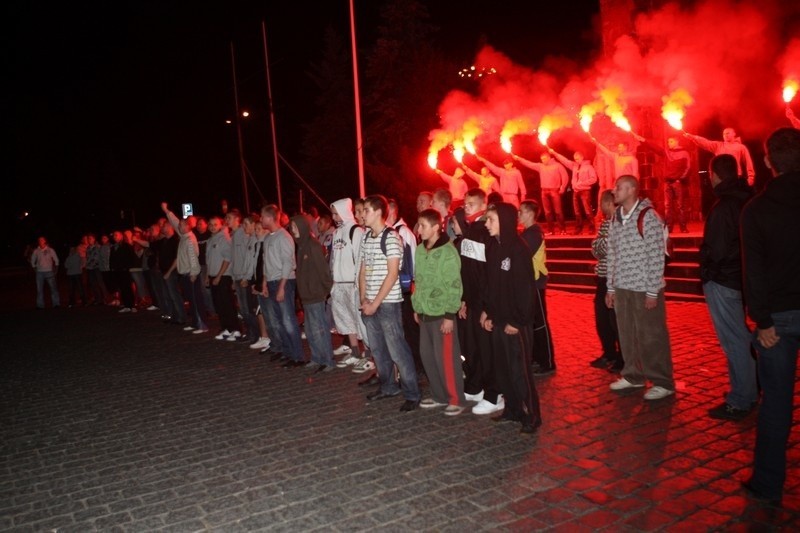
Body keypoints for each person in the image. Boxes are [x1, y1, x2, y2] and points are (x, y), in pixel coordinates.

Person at [740, 127, 800, 505]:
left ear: (767, 162)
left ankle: (768, 482)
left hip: (778, 321)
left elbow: (754, 273)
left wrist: (761, 321)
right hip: (778, 316)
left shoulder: (757, 209)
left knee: (776, 402)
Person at [605, 176, 675, 400]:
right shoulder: (616, 218)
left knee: (651, 335)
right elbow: (611, 253)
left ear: (633, 189)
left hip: (644, 288)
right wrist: (611, 287)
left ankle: (663, 381)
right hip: (623, 286)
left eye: (619, 187)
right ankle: (633, 375)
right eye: (615, 187)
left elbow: (656, 255)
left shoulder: (648, 216)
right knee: (626, 334)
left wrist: (653, 291)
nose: (615, 191)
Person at [700, 154, 755, 421]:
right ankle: (749, 386)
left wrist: (708, 274)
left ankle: (742, 397)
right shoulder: (748, 198)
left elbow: (718, 249)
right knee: (739, 337)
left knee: (734, 340)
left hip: (724, 281)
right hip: (741, 278)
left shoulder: (724, 207)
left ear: (715, 175)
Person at [483, 202, 542, 434]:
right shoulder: (494, 247)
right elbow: (491, 285)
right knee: (504, 368)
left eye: (491, 220)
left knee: (520, 371)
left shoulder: (519, 249)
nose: (487, 225)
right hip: (499, 320)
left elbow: (526, 290)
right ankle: (512, 408)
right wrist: (488, 312)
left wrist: (517, 322)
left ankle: (531, 414)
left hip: (516, 323)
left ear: (504, 222)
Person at [359, 194, 421, 412]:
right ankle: (388, 386)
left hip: (388, 304)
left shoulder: (392, 237)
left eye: (366, 210)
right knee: (378, 349)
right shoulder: (367, 237)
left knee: (398, 350)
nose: (362, 214)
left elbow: (393, 274)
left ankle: (412, 393)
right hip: (371, 304)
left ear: (378, 212)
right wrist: (363, 299)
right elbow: (363, 270)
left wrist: (375, 302)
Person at [412, 208, 466, 415]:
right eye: (419, 225)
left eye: (423, 225)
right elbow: (419, 280)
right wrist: (416, 306)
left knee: (446, 358)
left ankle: (455, 398)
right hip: (425, 313)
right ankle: (439, 394)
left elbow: (454, 285)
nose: (419, 229)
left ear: (436, 227)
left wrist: (449, 315)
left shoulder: (448, 252)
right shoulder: (419, 249)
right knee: (428, 356)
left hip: (442, 314)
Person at [458, 188, 503, 416]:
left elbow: (485, 273)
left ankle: (495, 394)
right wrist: (465, 299)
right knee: (472, 347)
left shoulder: (482, 231)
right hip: (472, 301)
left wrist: (486, 306)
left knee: (487, 349)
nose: (466, 208)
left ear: (482, 206)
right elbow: (468, 271)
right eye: (465, 204)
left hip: (484, 302)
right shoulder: (470, 231)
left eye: (471, 205)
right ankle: (475, 386)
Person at [260, 204, 305, 367]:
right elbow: (266, 263)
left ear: (271, 218)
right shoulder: (268, 237)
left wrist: (281, 286)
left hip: (283, 281)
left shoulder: (284, 237)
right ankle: (287, 352)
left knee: (288, 320)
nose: (261, 219)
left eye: (263, 216)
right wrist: (264, 283)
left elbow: (288, 263)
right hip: (272, 281)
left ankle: (298, 356)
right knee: (279, 320)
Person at [290, 215, 336, 372]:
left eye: (296, 227)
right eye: (292, 228)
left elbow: (323, 270)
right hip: (306, 296)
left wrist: (326, 290)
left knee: (320, 328)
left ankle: (327, 360)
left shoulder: (313, 245)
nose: (293, 230)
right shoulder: (301, 245)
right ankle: (317, 357)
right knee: (310, 329)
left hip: (315, 295)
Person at [518, 200, 556, 375]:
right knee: (534, 324)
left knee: (540, 324)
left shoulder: (533, 234)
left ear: (530, 214)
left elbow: (523, 255)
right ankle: (536, 358)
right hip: (530, 284)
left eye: (522, 211)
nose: (519, 214)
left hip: (536, 284)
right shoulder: (528, 232)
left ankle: (547, 362)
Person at [329, 198, 368, 369]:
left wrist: (359, 284)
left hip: (352, 283)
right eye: (333, 213)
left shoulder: (356, 231)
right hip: (339, 283)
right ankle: (354, 351)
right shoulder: (337, 233)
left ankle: (368, 353)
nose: (334, 217)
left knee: (360, 321)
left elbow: (361, 258)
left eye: (336, 213)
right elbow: (334, 258)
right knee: (345, 320)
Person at [589, 190, 624, 372]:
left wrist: (600, 242)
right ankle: (609, 353)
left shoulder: (617, 223)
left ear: (608, 203)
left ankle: (622, 358)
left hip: (614, 277)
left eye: (602, 202)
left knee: (614, 320)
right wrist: (599, 244)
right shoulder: (606, 223)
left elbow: (600, 248)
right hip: (604, 276)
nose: (600, 207)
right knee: (603, 319)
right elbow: (596, 249)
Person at [163, 203, 208, 333]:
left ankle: (202, 325)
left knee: (195, 300)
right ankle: (195, 323)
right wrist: (167, 211)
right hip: (185, 273)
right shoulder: (183, 237)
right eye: (180, 225)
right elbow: (175, 222)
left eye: (182, 225)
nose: (180, 227)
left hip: (191, 273)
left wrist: (194, 273)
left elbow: (193, 257)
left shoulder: (189, 239)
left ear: (188, 226)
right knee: (191, 299)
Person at [513, 151, 569, 235]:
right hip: (544, 191)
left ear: (549, 158)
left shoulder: (557, 165)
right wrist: (519, 159)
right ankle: (551, 231)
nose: (543, 160)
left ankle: (562, 230)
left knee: (558, 211)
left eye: (544, 159)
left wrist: (563, 187)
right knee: (547, 212)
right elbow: (529, 164)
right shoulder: (540, 166)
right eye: (542, 159)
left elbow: (565, 176)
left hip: (554, 190)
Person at [548, 148, 598, 235]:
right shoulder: (574, 166)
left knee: (587, 210)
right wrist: (554, 153)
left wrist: (582, 184)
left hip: (585, 191)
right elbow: (564, 160)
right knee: (577, 211)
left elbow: (594, 179)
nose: (576, 160)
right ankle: (579, 228)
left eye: (577, 159)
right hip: (576, 191)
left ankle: (592, 227)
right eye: (575, 159)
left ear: (582, 158)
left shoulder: (588, 167)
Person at [684, 127, 755, 186]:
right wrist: (692, 137)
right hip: (720, 178)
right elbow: (705, 142)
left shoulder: (741, 147)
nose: (725, 135)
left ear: (734, 134)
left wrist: (751, 178)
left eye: (727, 133)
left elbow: (748, 162)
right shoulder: (718, 146)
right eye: (724, 134)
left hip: (735, 177)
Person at [206, 216, 240, 341]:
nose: (212, 226)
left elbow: (227, 258)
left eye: (215, 224)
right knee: (219, 305)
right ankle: (226, 328)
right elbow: (209, 260)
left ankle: (235, 329)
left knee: (227, 304)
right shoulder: (210, 240)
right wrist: (207, 276)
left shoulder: (224, 238)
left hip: (223, 276)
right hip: (213, 276)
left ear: (220, 225)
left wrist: (219, 275)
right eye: (210, 224)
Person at [31, 236, 60, 309]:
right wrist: (35, 269)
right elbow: (32, 260)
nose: (40, 241)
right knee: (39, 289)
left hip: (49, 271)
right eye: (39, 240)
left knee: (53, 288)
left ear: (45, 241)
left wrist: (56, 269)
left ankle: (56, 303)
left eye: (42, 240)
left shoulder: (50, 250)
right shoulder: (36, 251)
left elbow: (56, 260)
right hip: (40, 272)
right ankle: (40, 305)